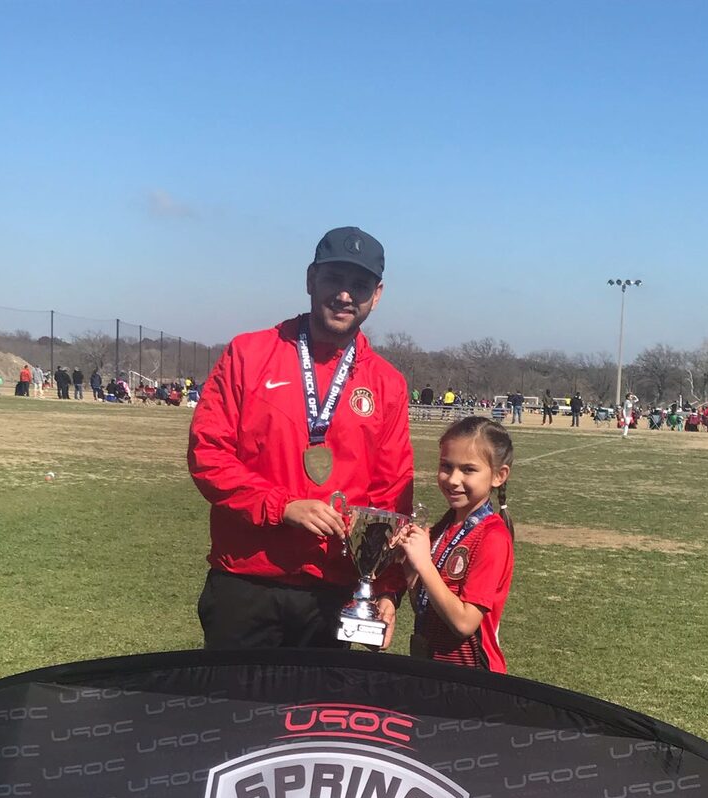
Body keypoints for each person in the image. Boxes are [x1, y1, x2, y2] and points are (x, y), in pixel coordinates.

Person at [188, 225, 413, 651]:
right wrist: (282, 506)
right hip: (245, 581)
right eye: (334, 279)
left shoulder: (388, 384)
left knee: (314, 719)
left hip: (334, 592)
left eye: (360, 285)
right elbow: (208, 456)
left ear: (377, 294)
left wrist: (384, 586)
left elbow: (391, 492)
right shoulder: (248, 354)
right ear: (311, 279)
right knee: (236, 714)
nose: (345, 295)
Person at [398, 416, 514, 673]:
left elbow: (463, 623)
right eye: (446, 466)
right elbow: (426, 606)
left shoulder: (492, 536)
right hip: (434, 669)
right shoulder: (443, 527)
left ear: (498, 476)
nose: (452, 479)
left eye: (468, 469)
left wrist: (424, 565)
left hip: (472, 678)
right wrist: (410, 569)